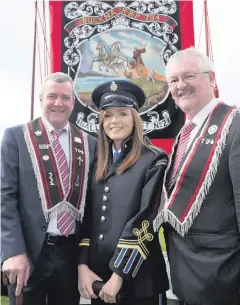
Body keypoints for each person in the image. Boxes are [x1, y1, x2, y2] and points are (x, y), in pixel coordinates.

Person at [153, 47, 240, 305]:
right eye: (173, 80)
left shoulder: (235, 125)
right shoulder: (185, 131)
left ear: (211, 79)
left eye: (189, 76)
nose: (181, 86)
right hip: (180, 275)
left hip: (220, 275)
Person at [1, 72, 97, 305]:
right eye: (52, 96)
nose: (58, 103)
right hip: (29, 253)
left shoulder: (90, 143)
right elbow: (5, 197)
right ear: (41, 100)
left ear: (73, 104)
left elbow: (92, 203)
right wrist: (12, 251)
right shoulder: (16, 137)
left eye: (65, 98)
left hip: (70, 252)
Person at [78, 80, 169, 305]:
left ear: (135, 119)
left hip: (138, 279)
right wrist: (82, 266)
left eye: (122, 114)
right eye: (107, 115)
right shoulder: (97, 162)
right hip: (99, 279)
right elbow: (88, 218)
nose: (114, 121)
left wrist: (119, 275)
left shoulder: (154, 159)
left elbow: (145, 221)